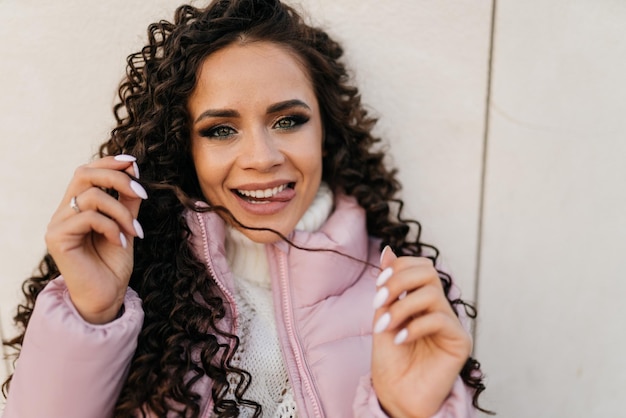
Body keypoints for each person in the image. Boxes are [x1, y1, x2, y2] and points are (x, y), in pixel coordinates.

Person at [2, 0, 488, 417]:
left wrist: (406, 412)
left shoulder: (406, 299)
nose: (261, 157)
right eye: (220, 129)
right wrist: (93, 313)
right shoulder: (144, 286)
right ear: (183, 147)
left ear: (326, 131)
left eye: (289, 120)